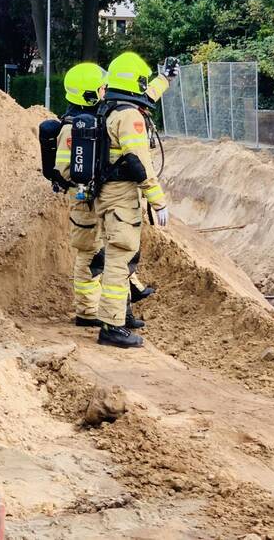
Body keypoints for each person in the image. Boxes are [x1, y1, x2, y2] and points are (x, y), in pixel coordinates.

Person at [53, 63, 151, 330]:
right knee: (89, 255)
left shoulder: (102, 119)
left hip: (99, 197)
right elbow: (64, 171)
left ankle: (123, 302)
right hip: (84, 201)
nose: (104, 90)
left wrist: (164, 79)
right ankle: (87, 312)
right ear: (89, 93)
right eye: (100, 87)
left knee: (114, 251)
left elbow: (143, 96)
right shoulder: (71, 129)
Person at [92, 52, 173, 348]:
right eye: (142, 82)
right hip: (121, 197)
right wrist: (158, 200)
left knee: (118, 255)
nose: (143, 86)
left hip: (106, 195)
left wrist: (165, 80)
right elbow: (140, 163)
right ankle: (112, 327)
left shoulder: (109, 108)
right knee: (118, 258)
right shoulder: (129, 117)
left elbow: (145, 97)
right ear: (133, 83)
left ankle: (120, 315)